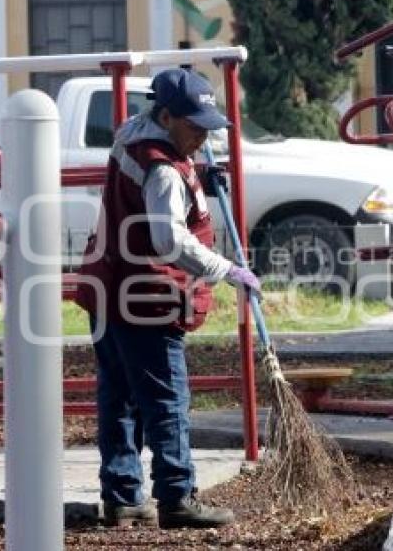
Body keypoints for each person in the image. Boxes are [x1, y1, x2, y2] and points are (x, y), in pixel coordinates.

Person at [75, 67, 261, 529]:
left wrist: (196, 168)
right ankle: (178, 497)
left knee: (119, 398)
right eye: (193, 126)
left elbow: (153, 170)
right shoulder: (163, 169)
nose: (200, 137)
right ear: (165, 115)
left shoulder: (130, 136)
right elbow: (168, 240)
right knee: (167, 402)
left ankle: (122, 498)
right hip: (149, 296)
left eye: (206, 128)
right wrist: (227, 270)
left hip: (109, 290)